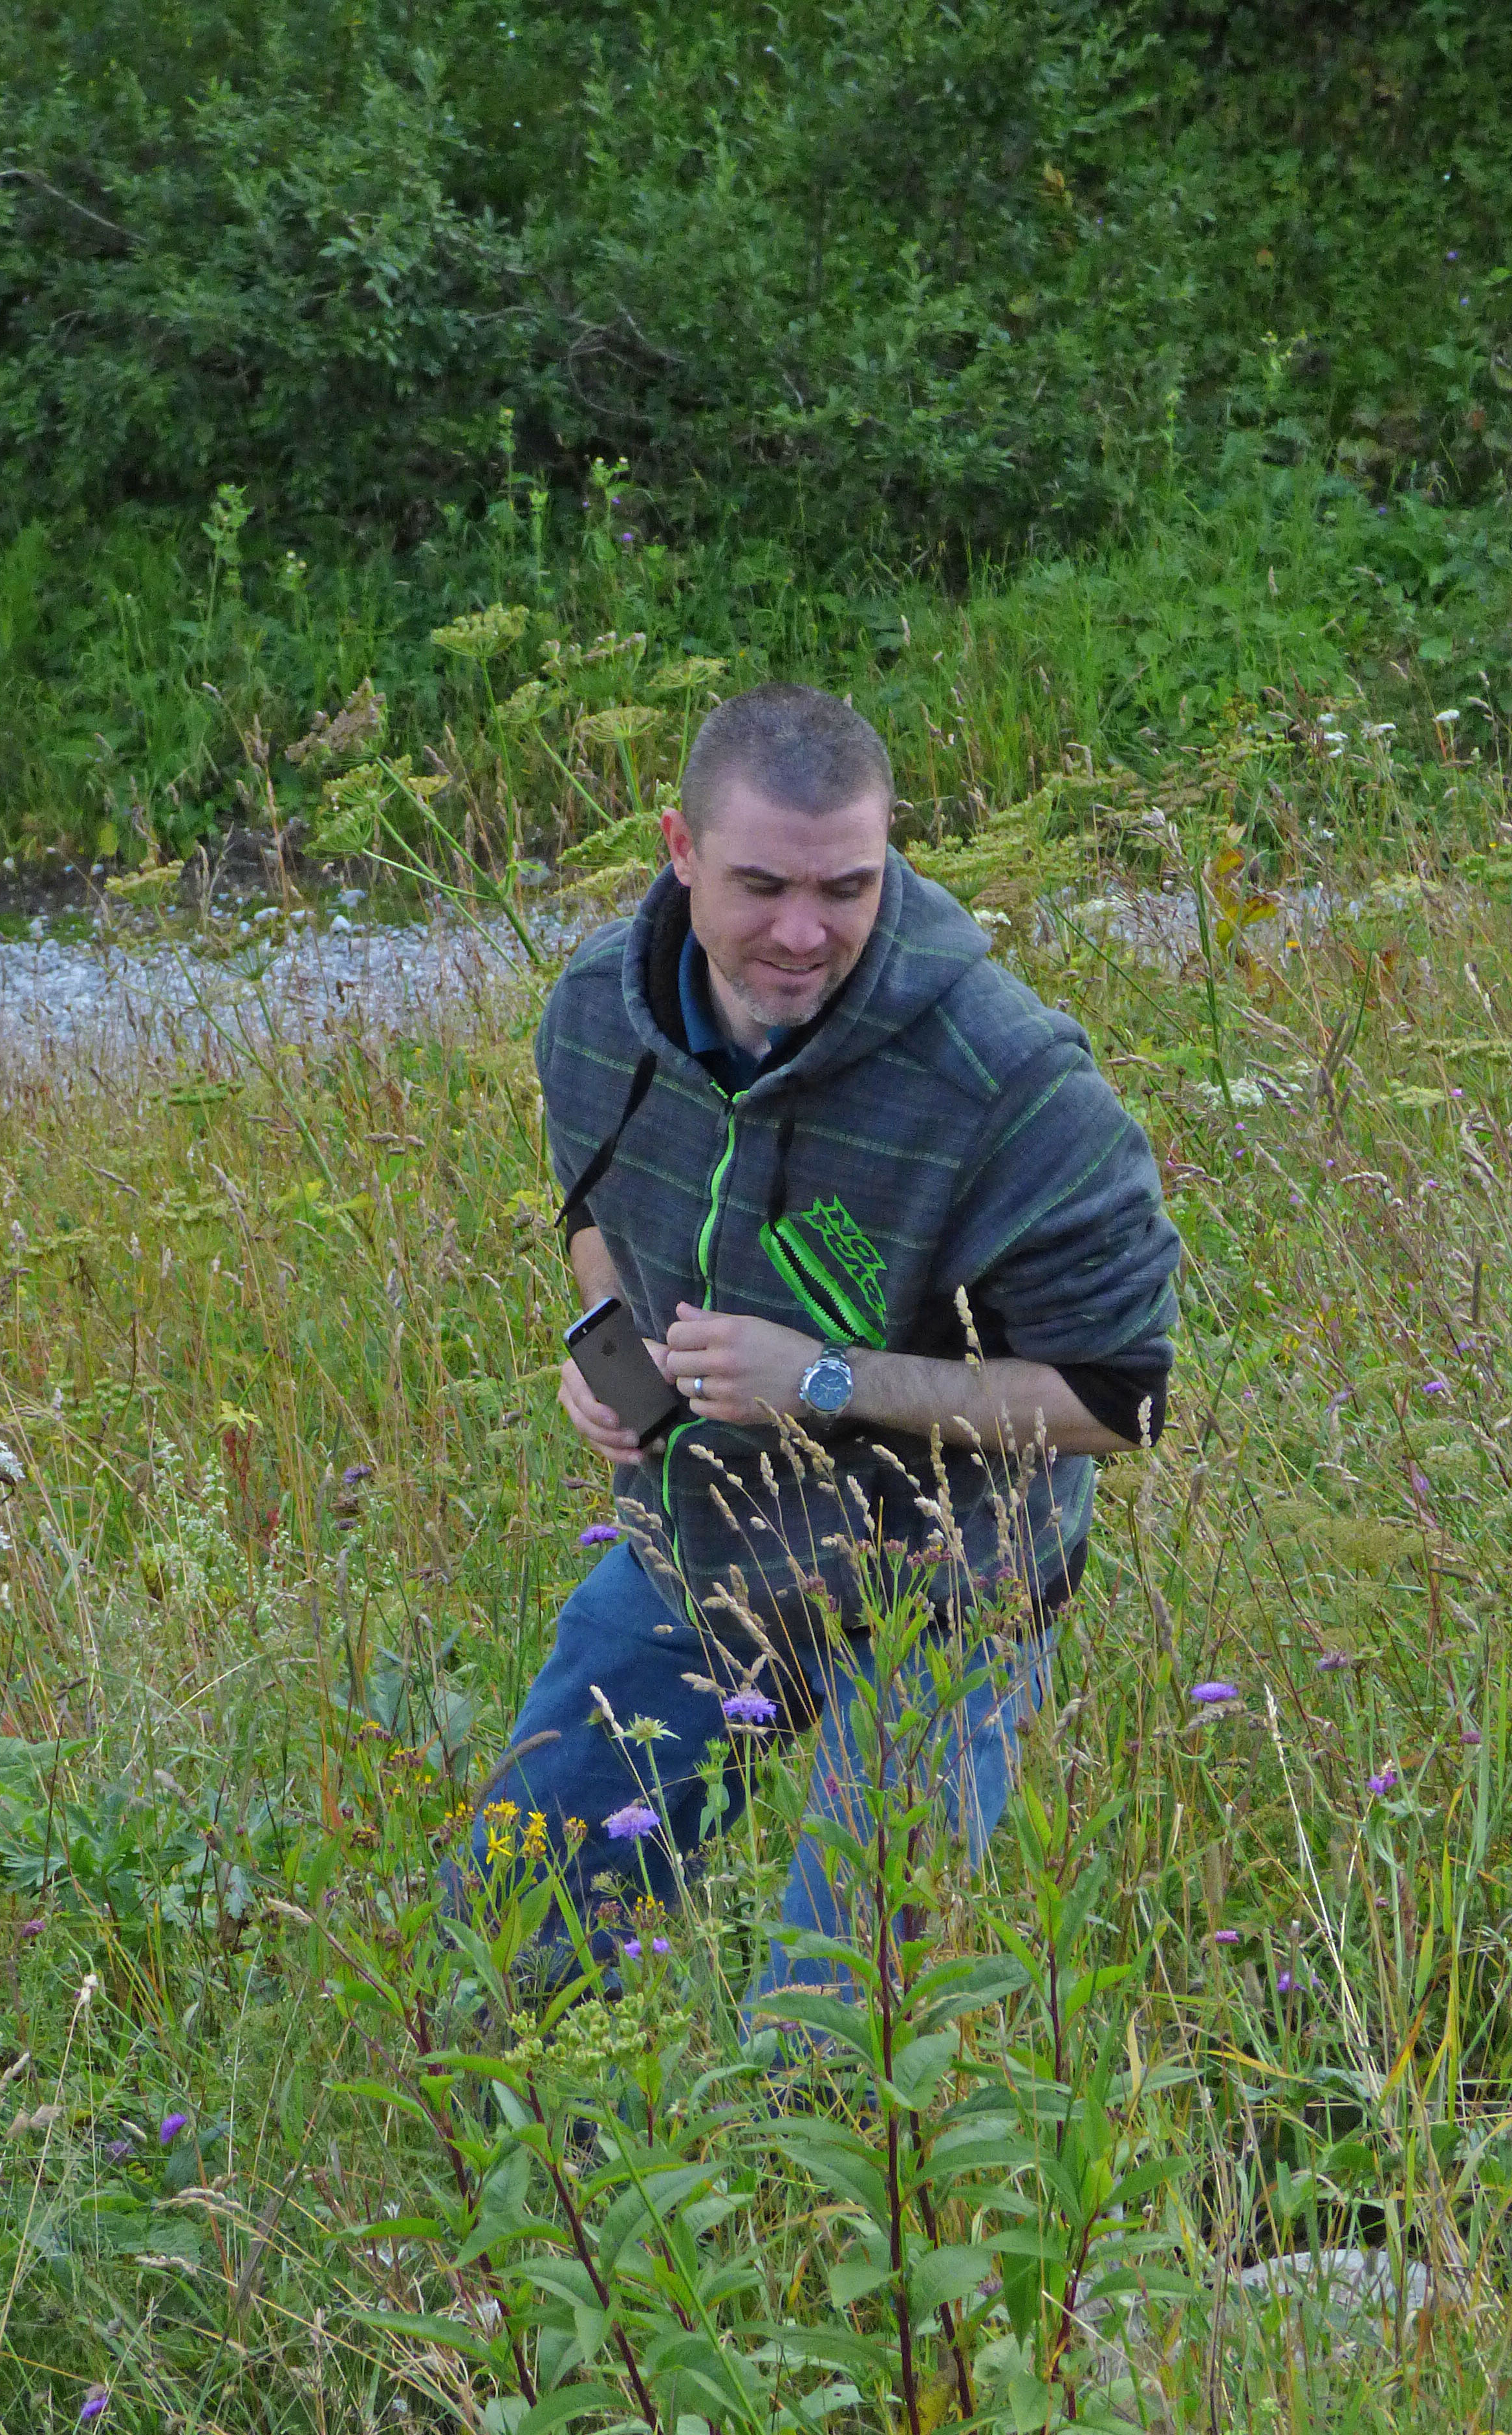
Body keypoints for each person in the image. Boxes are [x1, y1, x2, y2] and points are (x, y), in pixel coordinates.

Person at [464, 682, 1179, 2023]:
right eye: (762, 887)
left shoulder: (1011, 1084)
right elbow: (598, 1217)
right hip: (698, 1553)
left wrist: (822, 1379)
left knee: (839, 2039)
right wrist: (609, 1353)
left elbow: (1119, 1399)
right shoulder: (601, 1014)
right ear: (681, 849)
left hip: (941, 1601)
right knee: (506, 1948)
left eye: (848, 888)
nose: (804, 934)